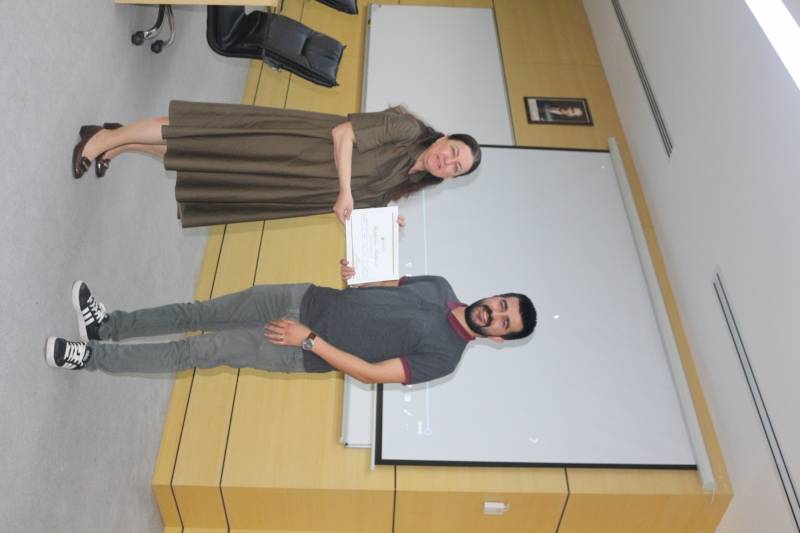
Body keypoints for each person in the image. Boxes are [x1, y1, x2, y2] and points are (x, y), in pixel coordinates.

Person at [45, 262, 537, 385]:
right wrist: (358, 275)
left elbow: (370, 373)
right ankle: (107, 326)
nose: (495, 313)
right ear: (496, 294)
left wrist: (310, 340)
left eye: (504, 322)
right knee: (198, 312)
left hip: (298, 347)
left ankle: (91, 358)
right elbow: (385, 286)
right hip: (302, 296)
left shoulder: (445, 359)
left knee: (196, 351)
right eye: (502, 304)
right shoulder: (440, 285)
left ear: (499, 338)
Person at [72, 102, 482, 227]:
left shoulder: (406, 180)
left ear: (450, 178)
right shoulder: (407, 129)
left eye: (455, 168)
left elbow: (350, 205)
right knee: (198, 134)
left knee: (200, 160)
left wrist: (380, 221)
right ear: (444, 138)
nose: (447, 161)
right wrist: (345, 191)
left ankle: (118, 142)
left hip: (292, 181)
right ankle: (101, 139)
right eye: (453, 152)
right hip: (294, 144)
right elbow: (343, 134)